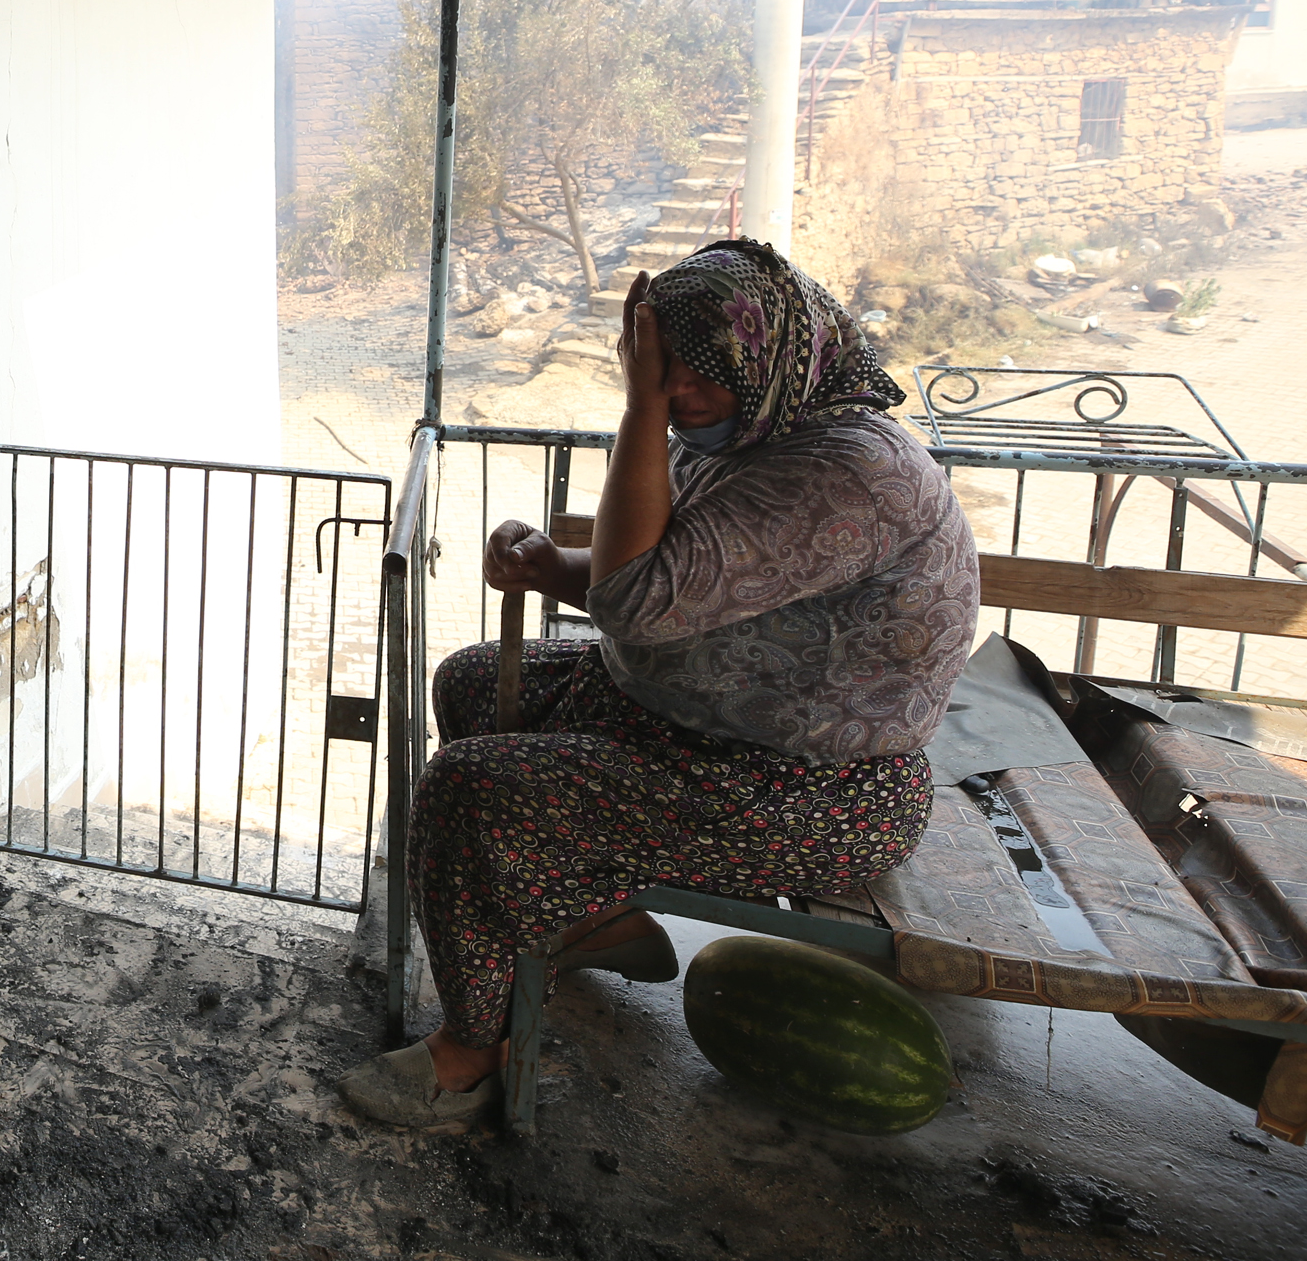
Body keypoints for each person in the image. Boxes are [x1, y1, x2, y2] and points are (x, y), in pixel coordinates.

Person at [337, 237, 979, 1129]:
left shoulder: (846, 475)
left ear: (768, 358)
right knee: (472, 682)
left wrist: (639, 408)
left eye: (697, 371)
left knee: (472, 791)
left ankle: (473, 1053)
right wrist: (548, 566)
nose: (675, 393)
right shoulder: (754, 432)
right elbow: (657, 576)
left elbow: (633, 599)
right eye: (657, 367)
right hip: (681, 723)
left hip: (801, 788)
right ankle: (594, 919)